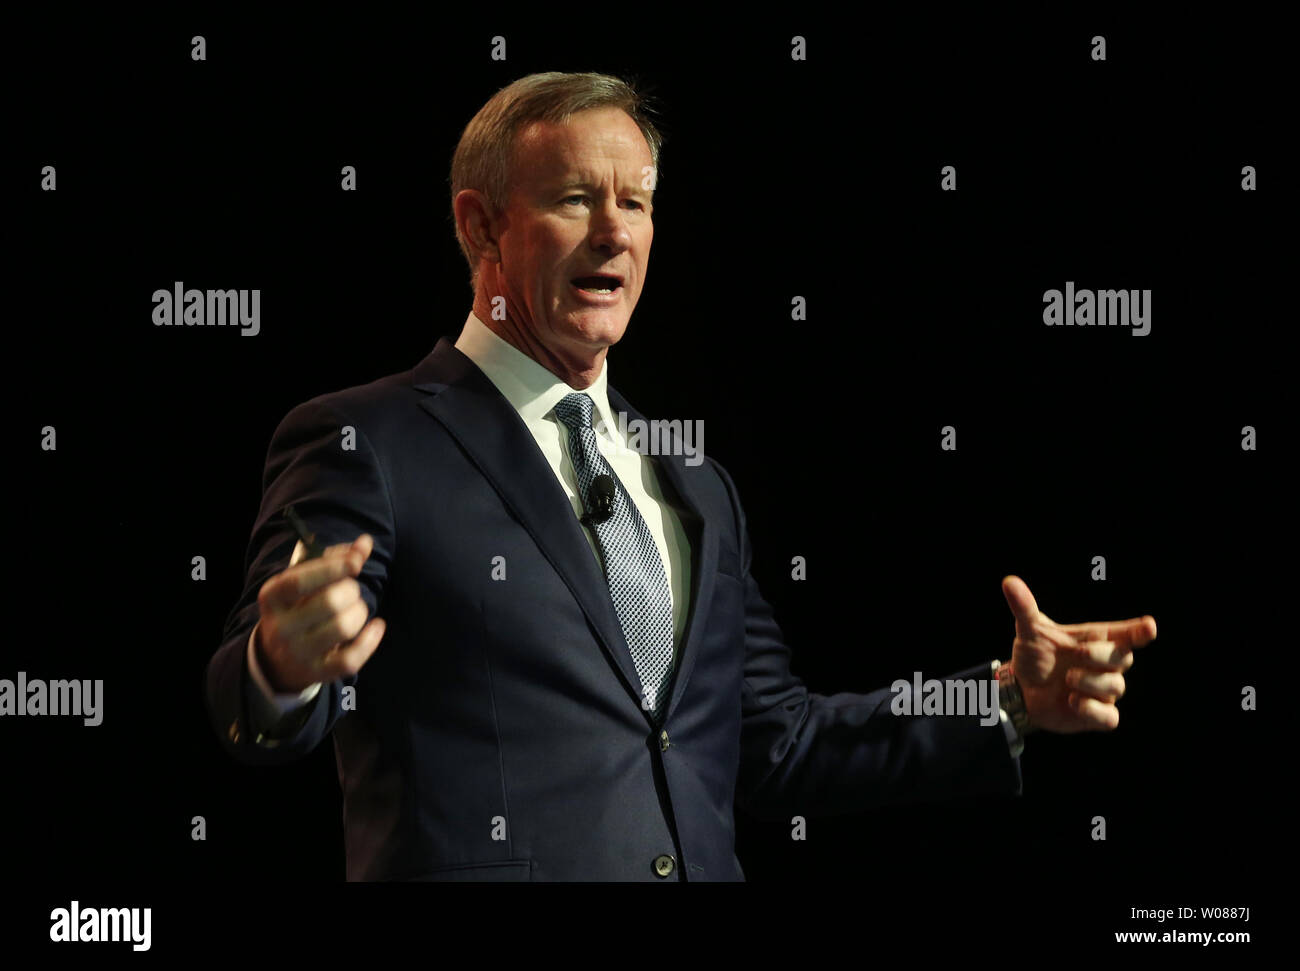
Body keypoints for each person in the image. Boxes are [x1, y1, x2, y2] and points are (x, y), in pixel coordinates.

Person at [204, 71, 1157, 881]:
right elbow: (252, 703)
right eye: (576, 198)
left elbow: (777, 742)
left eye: (638, 201)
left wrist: (1002, 700)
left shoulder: (693, 479)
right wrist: (282, 664)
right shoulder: (367, 437)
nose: (615, 232)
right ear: (481, 225)